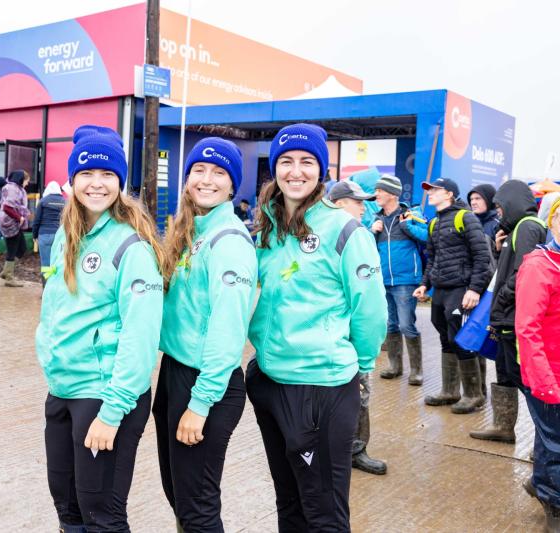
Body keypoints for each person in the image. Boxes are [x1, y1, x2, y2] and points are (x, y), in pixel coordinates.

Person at [247, 124, 387, 530]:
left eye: (307, 162)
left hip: (321, 386)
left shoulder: (345, 230)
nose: (296, 171)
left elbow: (371, 311)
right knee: (289, 504)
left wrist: (361, 366)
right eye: (286, 162)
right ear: (274, 169)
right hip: (271, 380)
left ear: (321, 171)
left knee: (323, 514)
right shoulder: (268, 230)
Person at [35, 125, 164, 532]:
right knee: (68, 509)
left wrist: (112, 411)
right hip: (63, 389)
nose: (96, 184)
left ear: (120, 183)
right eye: (87, 174)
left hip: (105, 396)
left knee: (102, 517)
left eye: (108, 174)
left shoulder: (132, 247)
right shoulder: (67, 236)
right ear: (72, 180)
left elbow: (141, 337)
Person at [156, 138, 256, 530]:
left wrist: (200, 404)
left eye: (219, 173)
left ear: (233, 186)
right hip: (176, 373)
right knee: (181, 499)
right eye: (199, 170)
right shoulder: (193, 233)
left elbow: (228, 330)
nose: (207, 179)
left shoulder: (228, 241)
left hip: (206, 383)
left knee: (197, 508)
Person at [469, 180, 547, 443]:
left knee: (520, 375)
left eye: (500, 206)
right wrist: (499, 248)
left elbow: (523, 272)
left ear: (511, 202)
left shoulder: (527, 227)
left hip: (514, 316)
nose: (498, 212)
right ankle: (503, 427)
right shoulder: (518, 229)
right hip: (508, 315)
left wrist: (501, 300)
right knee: (504, 370)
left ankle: (547, 440)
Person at [414, 178, 493, 414]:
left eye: (434, 190)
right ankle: (450, 391)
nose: (430, 193)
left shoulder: (465, 218)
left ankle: (474, 395)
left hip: (462, 289)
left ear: (449, 194)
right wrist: (424, 284)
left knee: (461, 338)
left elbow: (482, 258)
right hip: (441, 290)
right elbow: (433, 259)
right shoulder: (434, 223)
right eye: (428, 190)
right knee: (445, 336)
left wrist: (474, 289)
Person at [327, 179, 389, 476]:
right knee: (355, 394)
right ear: (339, 204)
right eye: (358, 202)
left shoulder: (355, 233)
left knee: (359, 395)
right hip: (341, 340)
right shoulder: (345, 233)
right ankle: (348, 450)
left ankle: (356, 449)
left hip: (348, 336)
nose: (364, 208)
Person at [515, 197, 560, 531]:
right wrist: (545, 382)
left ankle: (540, 483)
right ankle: (554, 505)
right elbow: (526, 328)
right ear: (551, 222)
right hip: (547, 374)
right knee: (556, 443)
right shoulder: (539, 265)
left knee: (550, 439)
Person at [370, 174, 428, 386]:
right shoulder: (376, 219)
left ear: (392, 194)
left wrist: (408, 227)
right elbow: (366, 248)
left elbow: (428, 236)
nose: (376, 194)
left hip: (405, 280)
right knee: (390, 325)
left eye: (380, 190)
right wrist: (371, 232)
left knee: (406, 325)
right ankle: (395, 367)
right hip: (382, 280)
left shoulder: (410, 214)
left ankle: (417, 371)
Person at [0, 170, 30, 288]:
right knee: (13, 249)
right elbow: (7, 207)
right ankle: (9, 277)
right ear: (21, 179)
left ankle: (6, 271)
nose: (27, 184)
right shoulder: (13, 189)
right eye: (27, 181)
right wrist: (19, 217)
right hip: (10, 223)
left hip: (14, 223)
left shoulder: (14, 188)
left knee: (21, 248)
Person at [32, 180, 66, 269]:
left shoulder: (43, 201)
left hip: (44, 235)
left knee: (46, 264)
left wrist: (34, 235)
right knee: (58, 263)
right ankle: (56, 282)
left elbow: (36, 220)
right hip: (60, 235)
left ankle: (46, 283)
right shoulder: (65, 202)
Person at [468, 184, 500, 255]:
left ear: (489, 199)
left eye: (477, 198)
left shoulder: (499, 224)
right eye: (471, 199)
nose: (473, 203)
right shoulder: (469, 222)